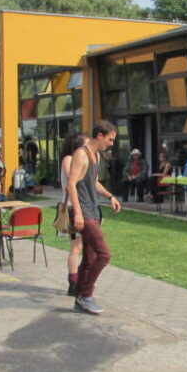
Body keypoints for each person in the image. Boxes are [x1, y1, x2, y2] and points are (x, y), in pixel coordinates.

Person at [67, 122, 122, 315]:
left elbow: (95, 182)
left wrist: (110, 196)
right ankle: (86, 295)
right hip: (85, 213)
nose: (111, 143)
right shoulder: (81, 154)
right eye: (110, 139)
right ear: (99, 136)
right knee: (104, 254)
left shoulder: (95, 156)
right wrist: (78, 212)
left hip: (93, 210)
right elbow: (71, 184)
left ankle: (79, 298)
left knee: (90, 258)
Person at [59, 131, 89, 296]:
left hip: (81, 206)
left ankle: (79, 279)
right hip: (72, 207)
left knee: (82, 246)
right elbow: (73, 181)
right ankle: (73, 281)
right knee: (76, 246)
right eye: (84, 145)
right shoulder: (69, 159)